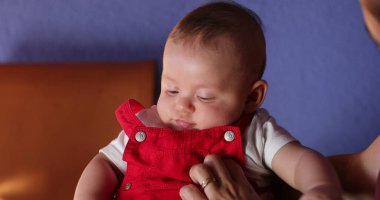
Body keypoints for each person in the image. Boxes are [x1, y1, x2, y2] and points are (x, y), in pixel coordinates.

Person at [74, 1, 342, 200]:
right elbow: (105, 164)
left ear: (251, 97)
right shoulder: (148, 128)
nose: (182, 106)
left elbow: (300, 162)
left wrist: (320, 188)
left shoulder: (254, 134)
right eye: (171, 90)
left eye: (204, 96)